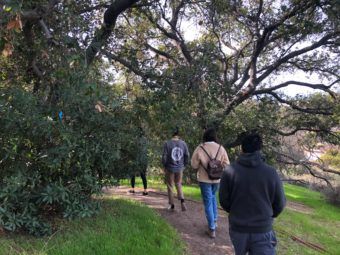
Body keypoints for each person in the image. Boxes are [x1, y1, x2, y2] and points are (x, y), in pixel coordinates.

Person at [219, 133, 286, 255]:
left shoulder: (229, 171)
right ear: (260, 150)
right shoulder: (271, 173)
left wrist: (235, 211)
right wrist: (268, 215)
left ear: (242, 149)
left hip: (238, 228)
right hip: (262, 229)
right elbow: (280, 203)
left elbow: (224, 201)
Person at [191, 128, 230, 238]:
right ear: (214, 137)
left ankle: (212, 228)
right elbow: (227, 164)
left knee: (208, 201)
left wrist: (202, 164)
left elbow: (193, 165)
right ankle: (215, 220)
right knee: (213, 198)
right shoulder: (220, 148)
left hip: (204, 179)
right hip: (217, 179)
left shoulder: (200, 148)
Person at [162, 127, 190, 211]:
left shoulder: (167, 143)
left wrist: (165, 165)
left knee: (170, 185)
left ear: (172, 134)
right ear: (178, 134)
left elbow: (164, 157)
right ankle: (182, 201)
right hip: (180, 167)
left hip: (170, 168)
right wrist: (184, 165)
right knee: (178, 184)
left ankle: (172, 204)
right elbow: (187, 155)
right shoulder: (183, 143)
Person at [130, 128, 148, 195]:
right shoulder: (145, 140)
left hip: (136, 159)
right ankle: (145, 190)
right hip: (144, 160)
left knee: (132, 174)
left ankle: (132, 189)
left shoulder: (135, 140)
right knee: (143, 175)